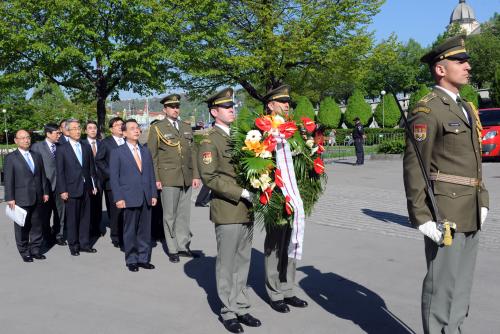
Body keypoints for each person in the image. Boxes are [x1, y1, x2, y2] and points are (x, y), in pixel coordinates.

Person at [403, 35, 489, 334]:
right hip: (447, 212)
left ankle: (454, 329)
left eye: (467, 61)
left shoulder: (465, 106)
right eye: (460, 61)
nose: (468, 66)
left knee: (462, 281)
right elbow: (415, 166)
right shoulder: (428, 109)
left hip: (471, 207)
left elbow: (475, 159)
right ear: (441, 69)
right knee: (443, 282)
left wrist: (484, 198)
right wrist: (421, 216)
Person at [198, 88, 261, 333]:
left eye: (232, 106)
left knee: (243, 260)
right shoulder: (209, 139)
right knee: (227, 262)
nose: (232, 110)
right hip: (228, 207)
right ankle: (228, 311)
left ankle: (241, 306)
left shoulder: (239, 135)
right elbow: (210, 177)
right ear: (214, 112)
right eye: (227, 107)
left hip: (246, 208)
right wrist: (242, 193)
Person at [262, 85, 309, 314]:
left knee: (292, 241)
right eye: (282, 101)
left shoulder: (294, 128)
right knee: (274, 244)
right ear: (270, 105)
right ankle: (274, 292)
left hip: (295, 194)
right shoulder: (261, 128)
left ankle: (288, 288)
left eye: (288, 101)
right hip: (276, 195)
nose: (286, 105)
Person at [147, 93, 201, 263]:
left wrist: (196, 175)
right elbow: (152, 156)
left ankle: (183, 245)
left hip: (186, 177)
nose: (175, 109)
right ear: (165, 109)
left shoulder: (185, 127)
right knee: (169, 214)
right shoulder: (157, 128)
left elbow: (193, 153)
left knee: (184, 214)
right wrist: (156, 178)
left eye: (177, 106)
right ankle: (172, 248)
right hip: (168, 177)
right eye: (172, 107)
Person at [110, 119, 157, 272]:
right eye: (132, 128)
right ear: (124, 133)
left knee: (145, 230)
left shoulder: (145, 150)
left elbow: (150, 174)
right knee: (130, 230)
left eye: (137, 128)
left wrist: (153, 194)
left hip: (146, 196)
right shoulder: (117, 152)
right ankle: (131, 259)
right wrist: (118, 198)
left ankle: (143, 258)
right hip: (128, 197)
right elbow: (114, 178)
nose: (136, 131)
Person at [4, 130, 49, 262]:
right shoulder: (11, 158)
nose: (26, 140)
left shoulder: (36, 155)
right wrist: (10, 197)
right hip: (20, 198)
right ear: (16, 141)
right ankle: (24, 251)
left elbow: (42, 176)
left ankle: (35, 250)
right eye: (22, 138)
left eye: (28, 137)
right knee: (22, 227)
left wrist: (45, 192)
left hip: (38, 196)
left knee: (37, 225)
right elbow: (8, 179)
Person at [56, 119, 98, 256]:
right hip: (71, 188)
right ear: (68, 131)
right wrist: (62, 190)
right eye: (74, 128)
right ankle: (73, 245)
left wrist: (93, 184)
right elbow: (60, 172)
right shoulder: (62, 149)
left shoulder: (85, 147)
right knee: (73, 219)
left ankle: (84, 244)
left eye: (79, 128)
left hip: (86, 188)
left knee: (86, 218)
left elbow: (91, 168)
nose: (78, 130)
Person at [31, 123, 67, 246]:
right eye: (57, 133)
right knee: (45, 215)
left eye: (60, 133)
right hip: (45, 187)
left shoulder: (62, 146)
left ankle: (59, 235)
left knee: (60, 213)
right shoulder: (37, 147)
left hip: (60, 186)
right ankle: (46, 236)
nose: (59, 135)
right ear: (48, 134)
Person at [95, 117, 125, 248]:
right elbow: (99, 160)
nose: (120, 126)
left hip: (128, 182)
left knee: (128, 210)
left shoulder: (128, 141)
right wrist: (111, 174)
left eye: (122, 124)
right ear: (111, 129)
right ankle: (116, 236)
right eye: (117, 125)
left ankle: (127, 234)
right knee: (115, 211)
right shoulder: (106, 142)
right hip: (112, 184)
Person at [83, 120, 103, 237]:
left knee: (98, 204)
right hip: (87, 178)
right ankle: (88, 228)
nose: (93, 130)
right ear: (85, 130)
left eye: (94, 128)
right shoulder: (82, 144)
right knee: (88, 205)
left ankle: (96, 227)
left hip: (100, 178)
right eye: (90, 128)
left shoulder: (101, 143)